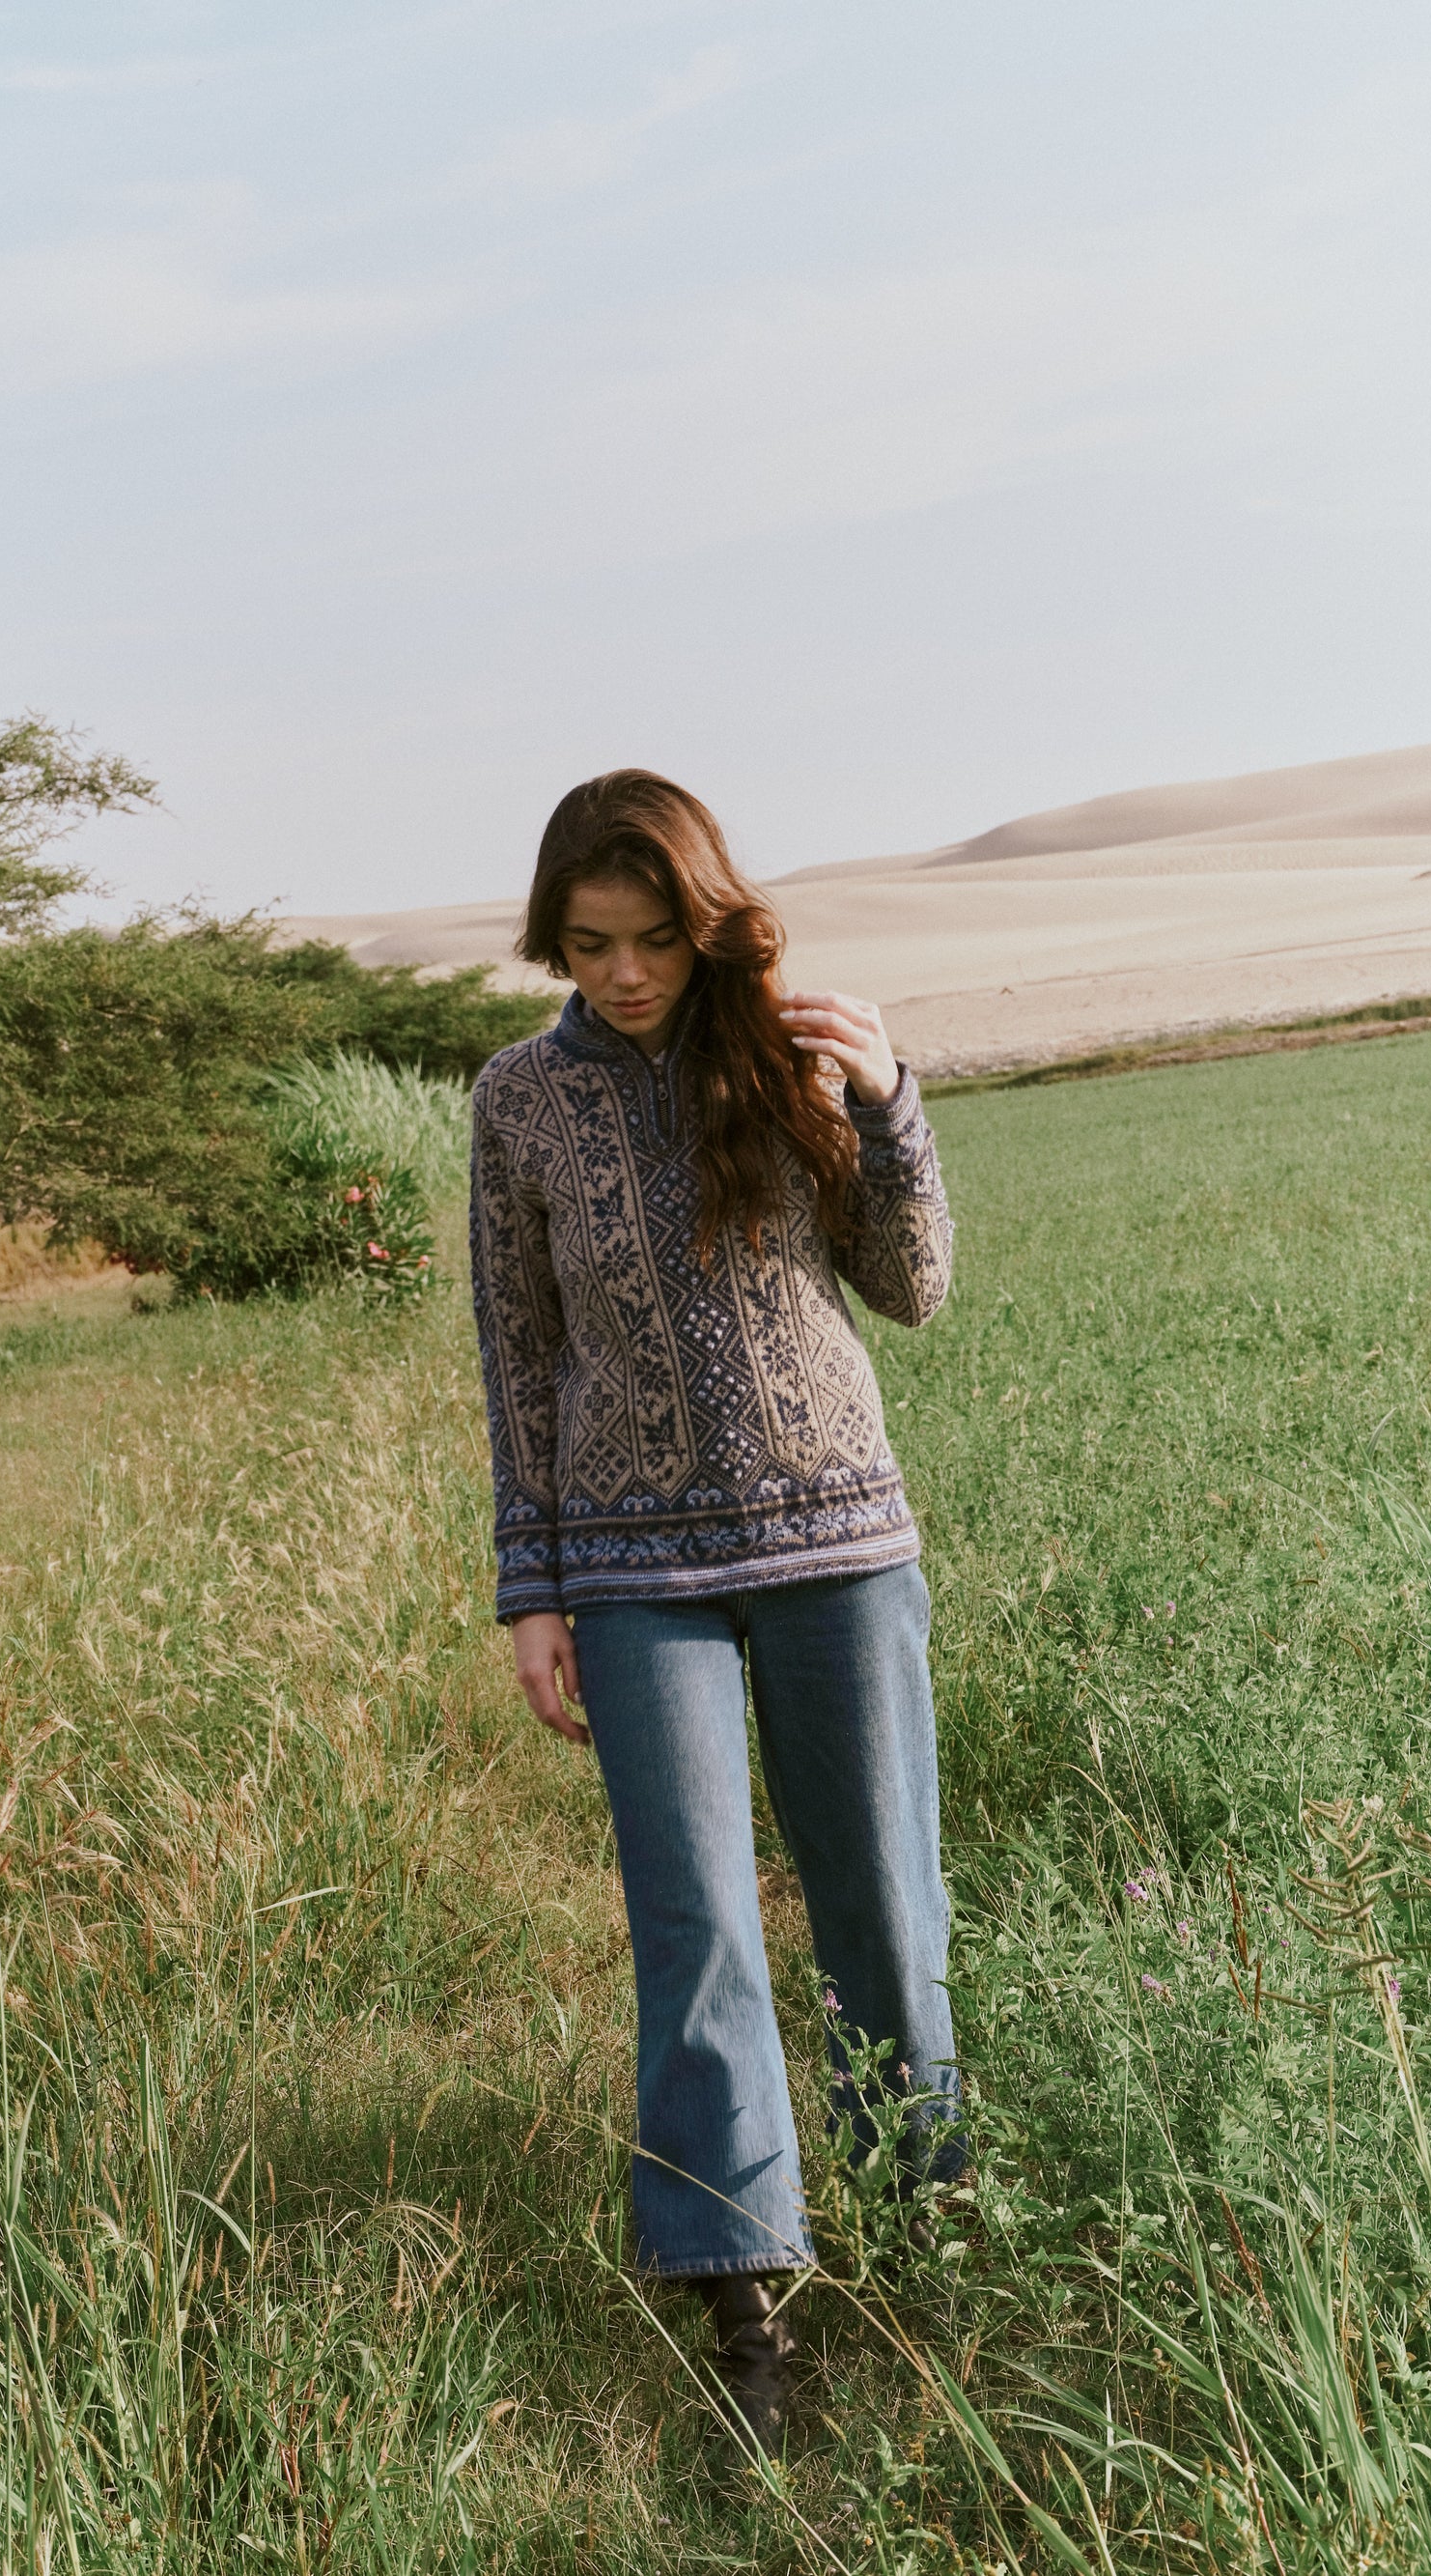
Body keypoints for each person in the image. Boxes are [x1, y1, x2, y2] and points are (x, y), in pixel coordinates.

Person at [468, 770, 965, 2455]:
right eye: (590, 943)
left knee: (883, 1906)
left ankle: (926, 2219)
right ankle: (744, 2296)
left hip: (840, 1540)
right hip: (630, 1571)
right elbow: (518, 1358)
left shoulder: (788, 1052)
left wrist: (889, 1099)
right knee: (695, 1935)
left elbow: (914, 1287)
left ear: (707, 916)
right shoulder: (515, 1104)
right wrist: (531, 1591)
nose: (622, 974)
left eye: (653, 937)